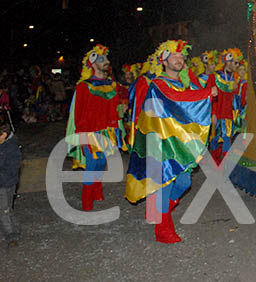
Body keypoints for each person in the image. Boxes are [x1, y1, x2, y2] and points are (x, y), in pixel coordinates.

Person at [125, 40, 216, 243]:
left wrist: (204, 90)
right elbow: (176, 98)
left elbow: (189, 99)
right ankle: (163, 229)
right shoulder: (158, 84)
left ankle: (158, 211)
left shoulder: (184, 82)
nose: (179, 59)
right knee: (164, 183)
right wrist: (205, 93)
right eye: (174, 56)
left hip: (178, 143)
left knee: (184, 182)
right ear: (163, 60)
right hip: (160, 143)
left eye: (181, 56)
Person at [65, 44, 127, 211]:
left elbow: (116, 109)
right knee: (93, 163)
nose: (106, 61)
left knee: (101, 163)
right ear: (92, 64)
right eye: (102, 59)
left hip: (108, 131)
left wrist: (121, 111)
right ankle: (86, 199)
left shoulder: (112, 84)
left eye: (106, 58)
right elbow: (78, 114)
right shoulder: (84, 86)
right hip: (90, 132)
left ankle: (96, 190)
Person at [208, 48, 242, 164]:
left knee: (227, 139)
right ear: (228, 62)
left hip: (229, 116)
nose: (237, 65)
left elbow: (235, 100)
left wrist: (237, 115)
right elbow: (210, 97)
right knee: (215, 140)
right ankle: (213, 164)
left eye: (238, 63)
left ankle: (224, 166)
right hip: (217, 115)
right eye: (235, 63)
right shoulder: (215, 77)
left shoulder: (235, 79)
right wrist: (212, 114)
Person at [0, 121, 21, 248]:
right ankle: (15, 229)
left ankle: (11, 236)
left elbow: (12, 169)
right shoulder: (5, 145)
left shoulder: (11, 149)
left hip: (5, 184)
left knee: (4, 210)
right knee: (7, 208)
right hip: (7, 182)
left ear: (3, 134)